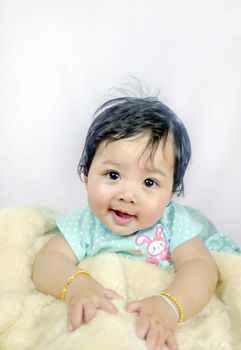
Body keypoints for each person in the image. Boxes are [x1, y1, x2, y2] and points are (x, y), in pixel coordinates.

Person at [32, 96, 240, 350]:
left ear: (171, 193)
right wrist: (77, 283)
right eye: (113, 175)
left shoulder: (173, 223)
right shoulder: (86, 224)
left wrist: (170, 306)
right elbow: (48, 259)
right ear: (86, 174)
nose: (127, 195)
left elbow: (200, 267)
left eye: (149, 183)